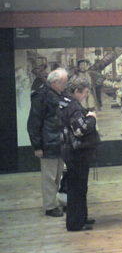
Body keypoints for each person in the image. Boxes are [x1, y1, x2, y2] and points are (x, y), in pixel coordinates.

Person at [58, 76, 100, 231]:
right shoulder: (74, 107)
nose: (86, 96)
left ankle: (80, 218)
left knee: (78, 188)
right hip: (77, 154)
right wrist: (91, 118)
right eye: (85, 92)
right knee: (77, 189)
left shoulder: (64, 102)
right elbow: (80, 130)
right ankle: (76, 223)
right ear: (76, 91)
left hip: (69, 151)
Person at [27, 67, 68, 217]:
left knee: (58, 176)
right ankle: (50, 206)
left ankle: (57, 202)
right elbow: (34, 123)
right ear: (54, 82)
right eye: (63, 82)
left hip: (59, 142)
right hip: (48, 143)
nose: (65, 85)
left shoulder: (59, 94)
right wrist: (37, 146)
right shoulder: (41, 96)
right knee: (50, 177)